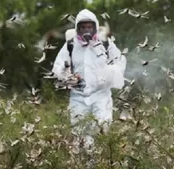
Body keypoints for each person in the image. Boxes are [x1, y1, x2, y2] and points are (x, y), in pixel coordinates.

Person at [52, 9, 127, 150]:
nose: (86, 30)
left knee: (102, 132)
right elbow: (58, 68)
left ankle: (100, 165)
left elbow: (120, 61)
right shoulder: (71, 45)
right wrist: (69, 78)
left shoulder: (105, 43)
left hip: (101, 96)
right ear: (78, 28)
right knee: (80, 136)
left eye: (89, 27)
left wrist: (108, 73)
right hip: (78, 97)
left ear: (95, 27)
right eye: (83, 27)